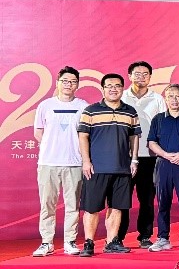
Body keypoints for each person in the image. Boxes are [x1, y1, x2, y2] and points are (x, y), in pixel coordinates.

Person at [75, 74, 141, 257]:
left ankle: (112, 242)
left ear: (122, 88)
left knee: (117, 206)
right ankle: (89, 243)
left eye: (117, 86)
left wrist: (134, 160)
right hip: (96, 168)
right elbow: (83, 136)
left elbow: (134, 137)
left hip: (122, 168)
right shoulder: (90, 111)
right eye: (109, 86)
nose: (113, 89)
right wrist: (86, 161)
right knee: (91, 207)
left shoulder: (130, 112)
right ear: (103, 89)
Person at [32, 66, 89, 257]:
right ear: (57, 83)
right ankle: (46, 242)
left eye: (72, 81)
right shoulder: (45, 105)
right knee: (47, 204)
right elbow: (38, 132)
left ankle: (69, 242)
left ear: (77, 85)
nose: (68, 84)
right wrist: (52, 147)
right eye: (65, 81)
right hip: (48, 163)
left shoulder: (83, 106)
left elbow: (86, 134)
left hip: (74, 162)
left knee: (73, 205)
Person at [119, 61, 166, 248]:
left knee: (147, 199)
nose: (141, 77)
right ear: (129, 76)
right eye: (137, 74)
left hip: (149, 156)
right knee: (121, 198)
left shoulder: (157, 99)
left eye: (145, 74)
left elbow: (163, 126)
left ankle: (145, 236)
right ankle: (117, 237)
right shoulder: (121, 96)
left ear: (150, 77)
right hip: (123, 156)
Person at [147, 84, 179, 252]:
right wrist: (165, 155)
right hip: (164, 165)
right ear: (165, 99)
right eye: (170, 96)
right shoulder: (158, 119)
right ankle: (163, 238)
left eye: (178, 96)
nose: (174, 100)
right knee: (163, 202)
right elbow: (151, 142)